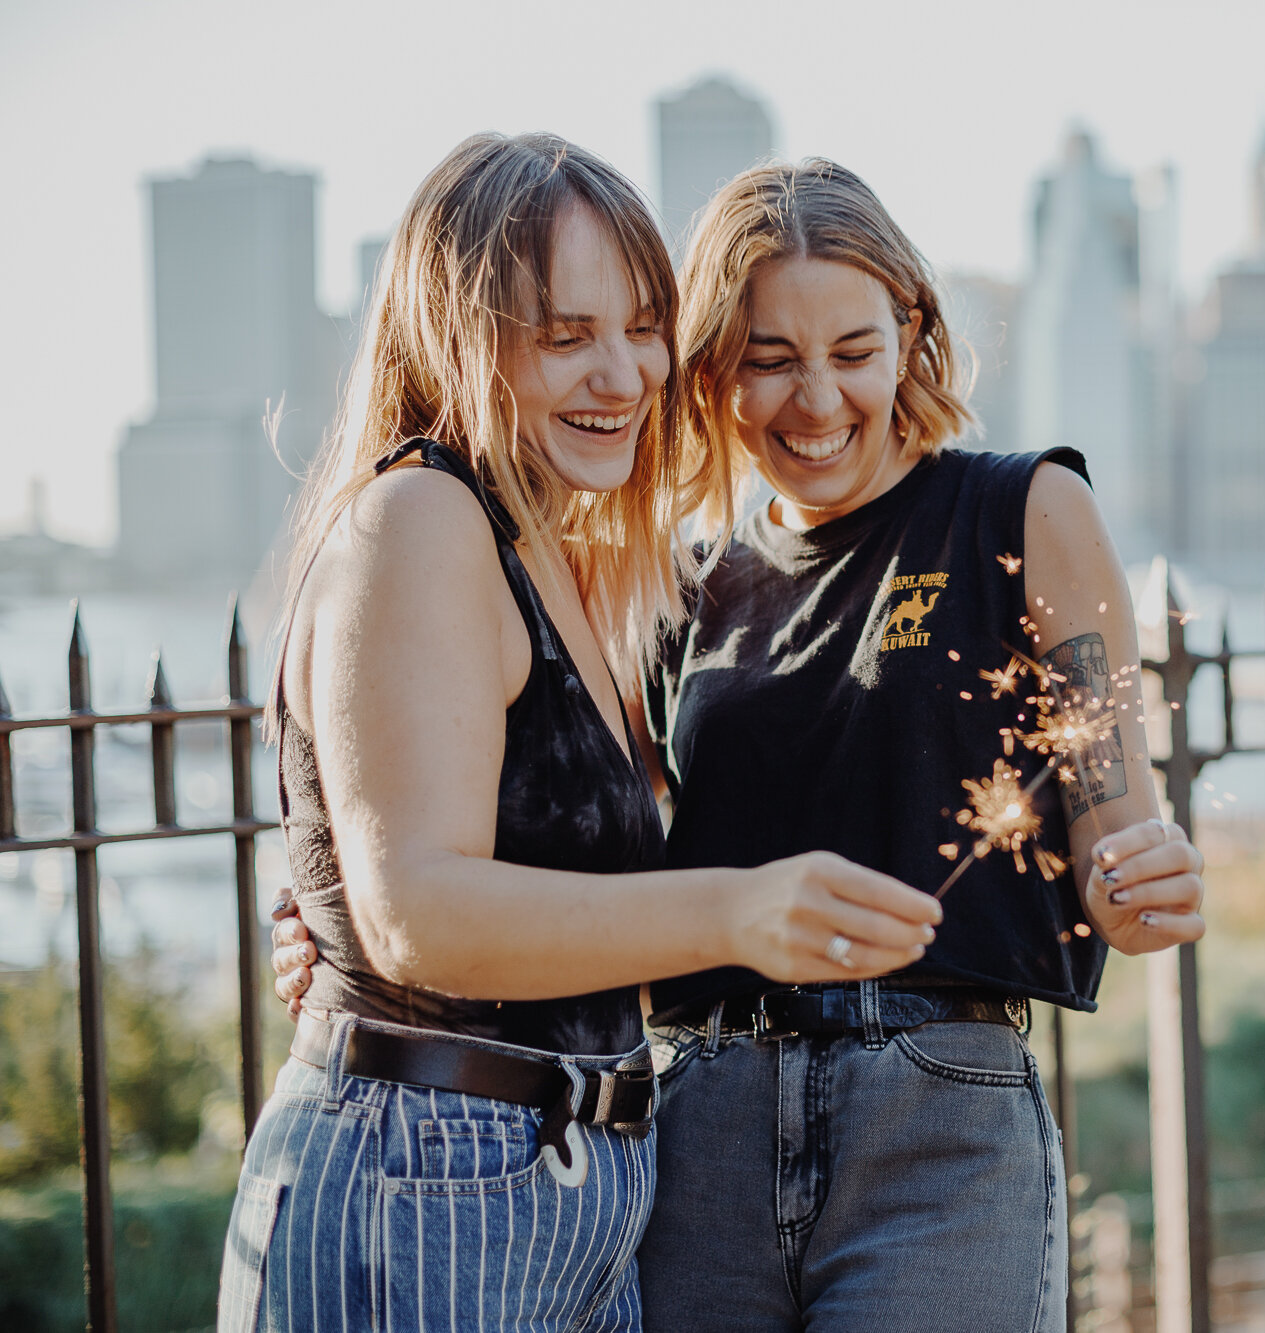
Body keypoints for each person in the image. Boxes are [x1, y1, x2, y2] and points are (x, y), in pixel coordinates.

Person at [272, 157, 1207, 1331]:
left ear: (911, 332)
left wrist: (1147, 873)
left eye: (854, 352)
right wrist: (331, 909)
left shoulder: (1022, 513)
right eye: (767, 360)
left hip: (934, 1124)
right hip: (695, 1129)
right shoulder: (673, 581)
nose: (815, 402)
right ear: (710, 365)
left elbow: (1118, 829)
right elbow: (588, 858)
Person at [228, 135, 939, 1333]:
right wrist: (735, 911)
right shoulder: (420, 515)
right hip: (430, 1187)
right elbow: (418, 913)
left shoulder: (557, 551)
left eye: (642, 328)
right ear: (458, 335)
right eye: (565, 336)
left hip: (565, 1193)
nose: (622, 373)